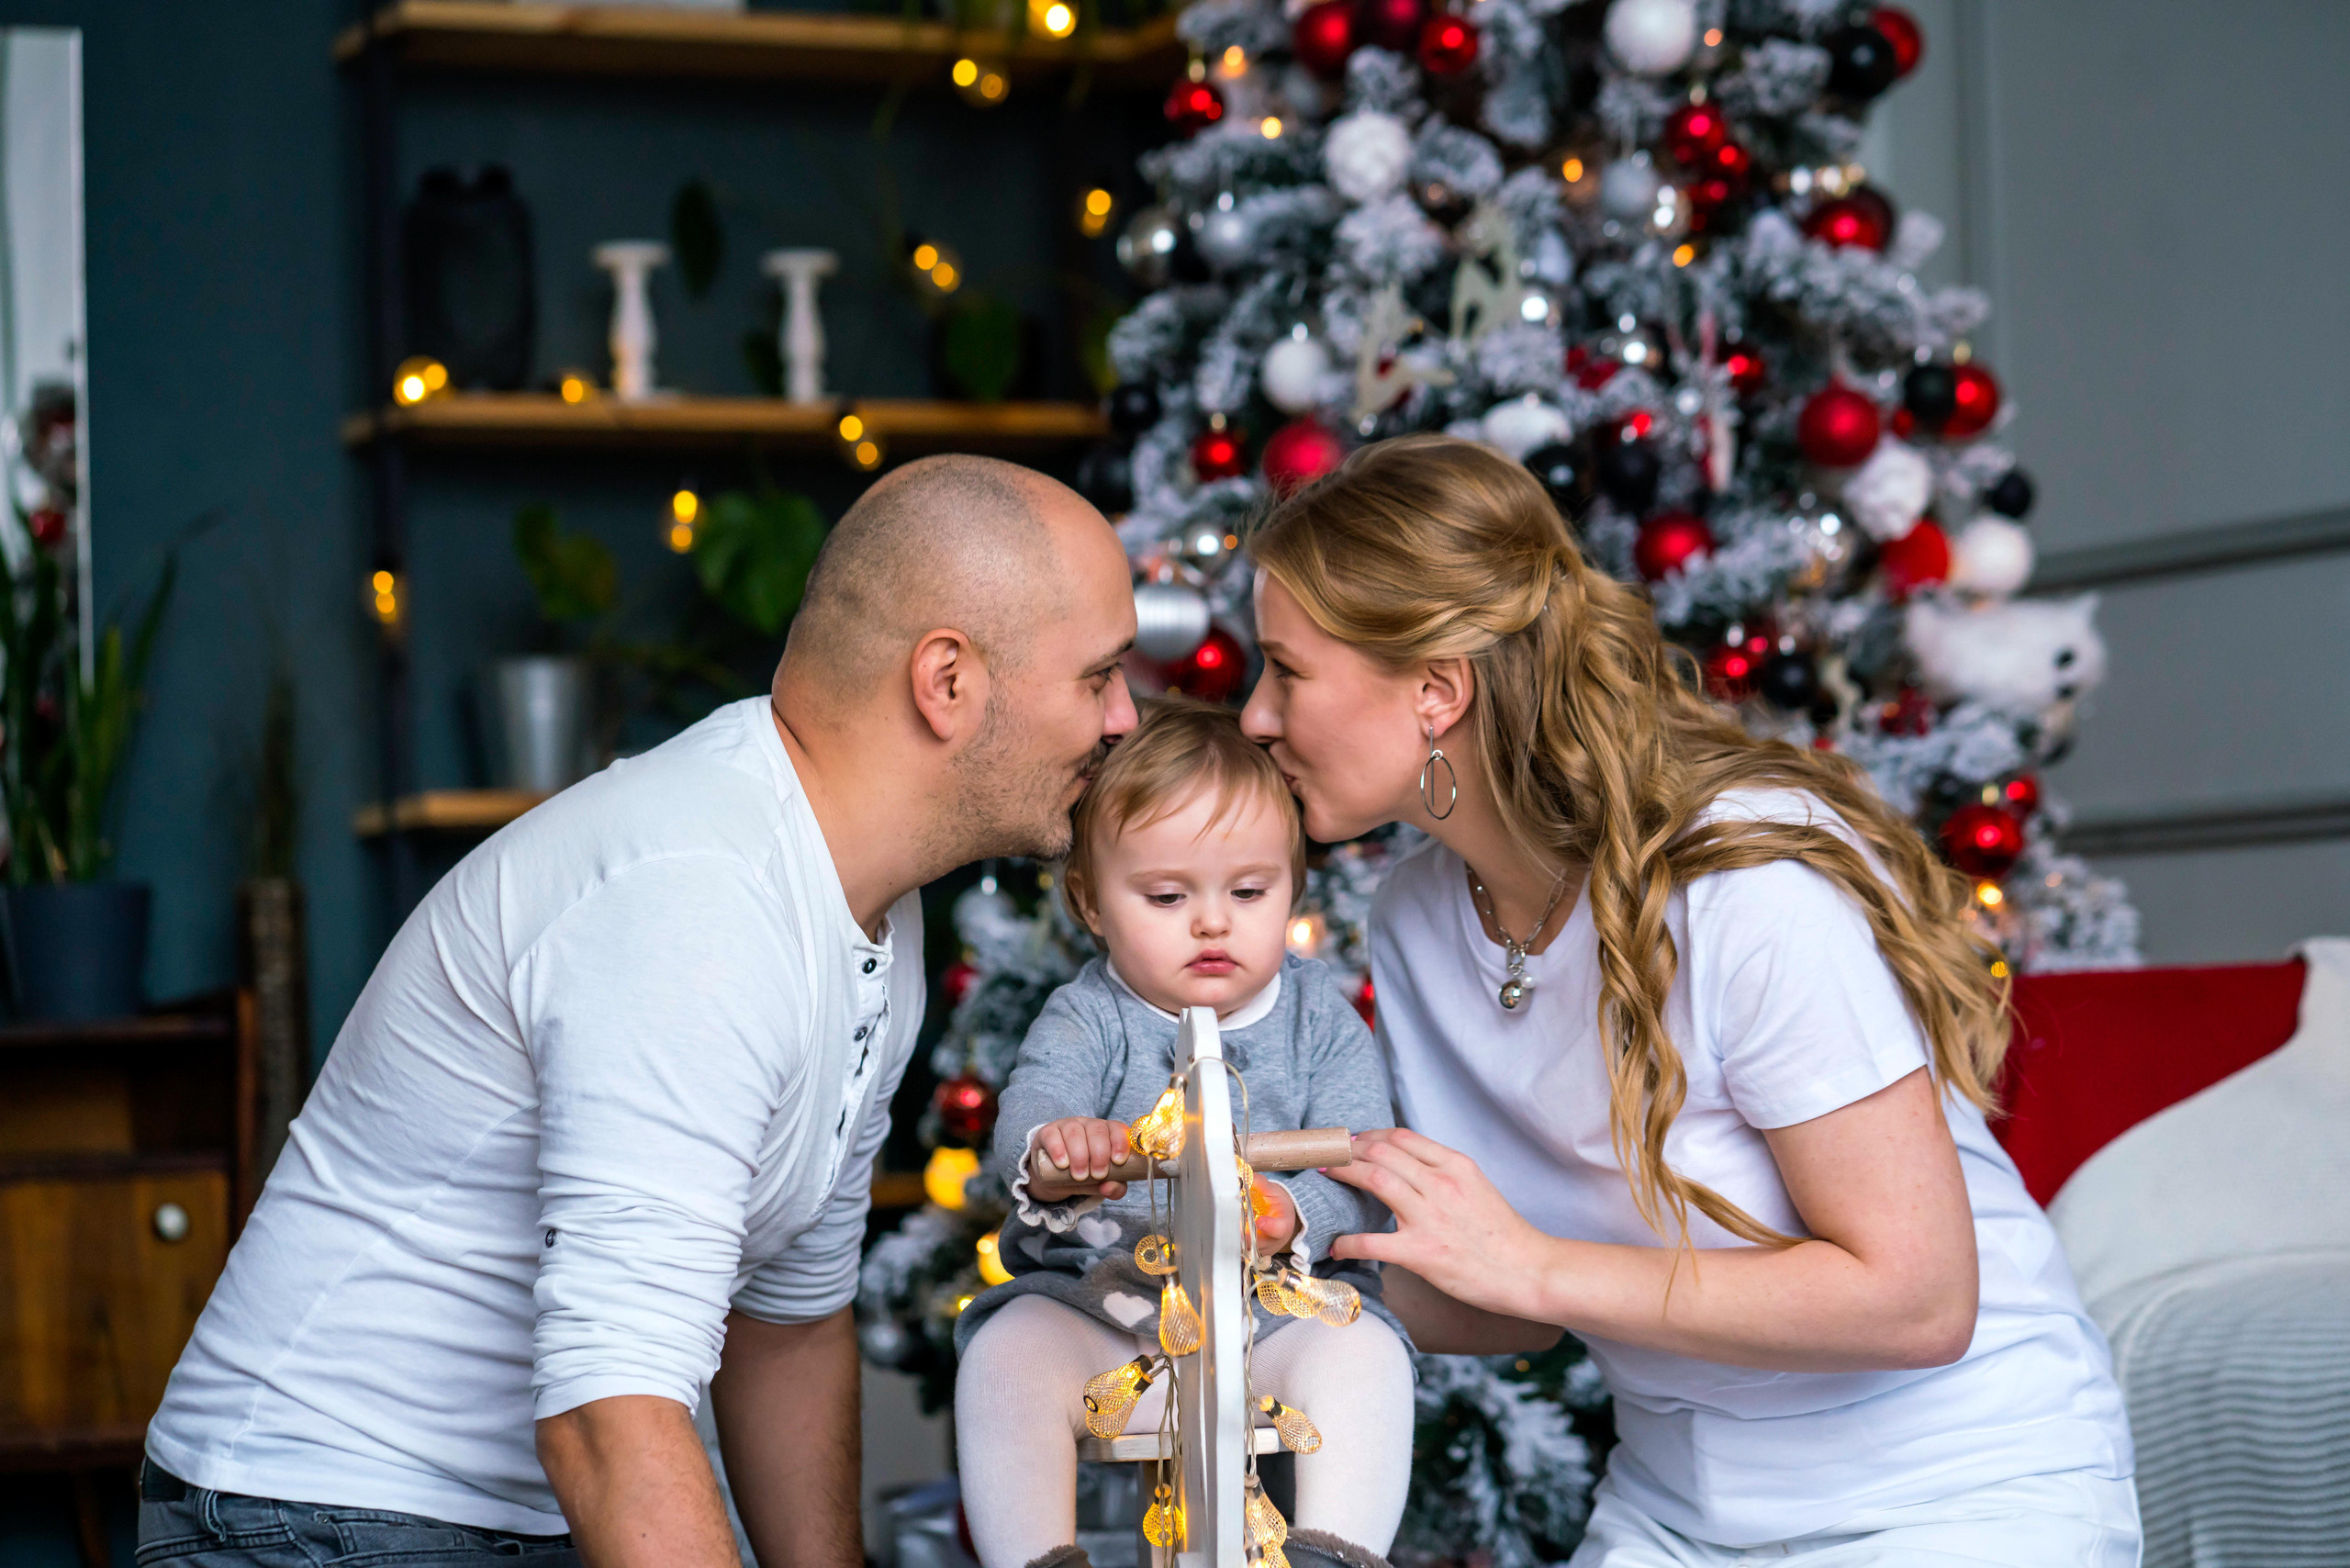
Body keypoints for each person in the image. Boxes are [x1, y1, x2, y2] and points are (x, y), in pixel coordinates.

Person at [139, 456, 1140, 1568]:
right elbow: (604, 1411)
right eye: (1098, 674)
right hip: (314, 1514)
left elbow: (787, 1324)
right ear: (946, 680)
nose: (1124, 715)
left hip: (520, 1515)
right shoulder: (697, 891)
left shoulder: (862, 902)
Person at [1238, 435, 2141, 1567]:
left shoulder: (1743, 888)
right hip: (1676, 1513)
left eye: (1285, 670)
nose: (1255, 717)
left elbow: (1917, 1298)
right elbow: (1511, 1300)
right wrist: (1278, 1263)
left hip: (1958, 1494)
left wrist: (1534, 1264)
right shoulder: (1419, 913)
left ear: (1434, 689)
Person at [953, 700, 1412, 1568]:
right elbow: (1028, 1122)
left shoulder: (1318, 1017)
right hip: (1108, 1311)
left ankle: (1333, 1554)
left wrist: (1291, 1210)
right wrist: (1061, 1154)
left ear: (1292, 890)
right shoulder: (1089, 1017)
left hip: (1272, 1321)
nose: (1211, 921)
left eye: (1249, 892)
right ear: (1090, 901)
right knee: (1005, 1355)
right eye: (1167, 896)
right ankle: (1038, 1559)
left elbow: (1362, 1154)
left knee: (1368, 1356)